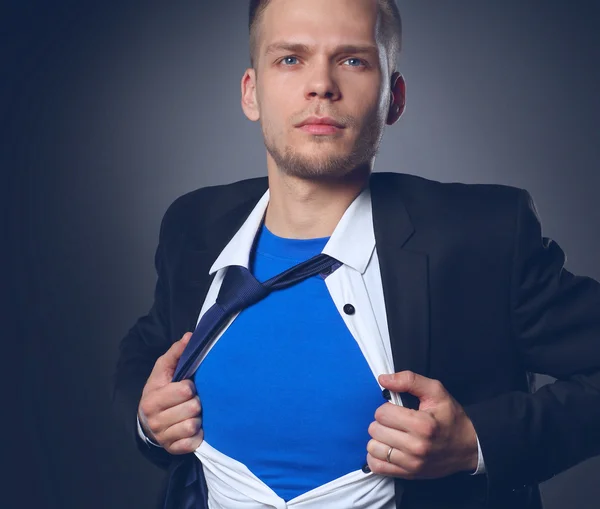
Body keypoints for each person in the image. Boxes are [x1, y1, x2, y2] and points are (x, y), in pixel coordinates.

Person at [112, 0, 600, 508]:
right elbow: (149, 343)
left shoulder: (486, 236)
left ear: (394, 98)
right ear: (251, 93)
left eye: (353, 60)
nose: (321, 84)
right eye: (290, 59)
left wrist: (475, 443)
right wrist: (147, 419)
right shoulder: (194, 225)